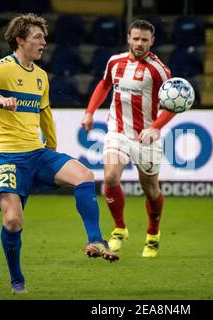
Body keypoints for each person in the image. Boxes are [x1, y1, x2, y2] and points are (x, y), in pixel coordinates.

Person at [0, 13, 118, 294]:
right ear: (20, 40)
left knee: (84, 175)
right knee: (12, 220)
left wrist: (52, 144)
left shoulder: (40, 76)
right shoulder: (3, 68)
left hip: (37, 152)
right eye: (37, 37)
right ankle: (16, 280)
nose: (44, 42)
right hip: (5, 154)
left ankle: (97, 241)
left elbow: (44, 112)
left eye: (44, 37)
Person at [81, 19, 177, 258]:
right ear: (128, 38)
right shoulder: (115, 62)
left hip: (146, 137)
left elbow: (172, 105)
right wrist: (90, 111)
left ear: (152, 41)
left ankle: (153, 234)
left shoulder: (159, 70)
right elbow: (104, 85)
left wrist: (155, 127)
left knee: (151, 190)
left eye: (145, 40)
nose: (139, 43)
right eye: (136, 38)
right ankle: (119, 228)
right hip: (118, 131)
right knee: (110, 177)